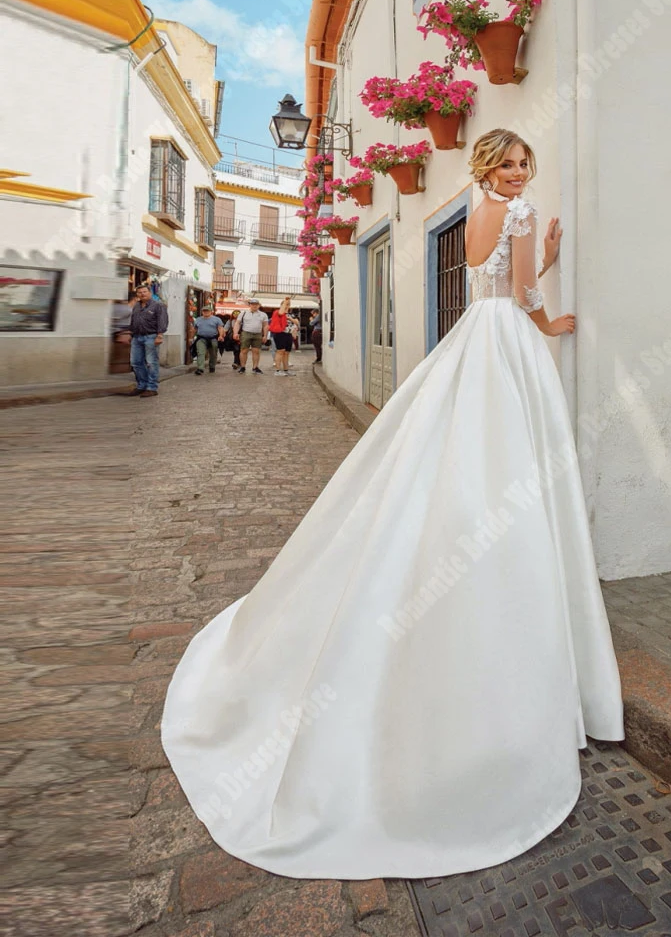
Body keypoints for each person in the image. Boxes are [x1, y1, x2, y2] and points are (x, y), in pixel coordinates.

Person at [161, 129, 623, 881]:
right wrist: (549, 297)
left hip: (474, 335)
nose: (516, 173)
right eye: (507, 164)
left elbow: (481, 275)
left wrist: (531, 251)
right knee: (514, 459)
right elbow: (524, 294)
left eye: (522, 164)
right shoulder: (520, 211)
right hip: (508, 338)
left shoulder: (477, 210)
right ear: (489, 168)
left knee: (450, 448)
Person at [121, 283, 167, 398]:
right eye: (139, 293)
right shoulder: (136, 306)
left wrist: (160, 335)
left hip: (151, 337)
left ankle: (152, 387)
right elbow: (133, 321)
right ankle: (141, 386)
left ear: (150, 293)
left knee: (151, 363)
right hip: (136, 337)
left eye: (144, 292)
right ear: (137, 294)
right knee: (136, 362)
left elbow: (162, 321)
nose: (142, 294)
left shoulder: (158, 306)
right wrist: (129, 334)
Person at [233, 298, 269, 375]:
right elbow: (237, 323)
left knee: (256, 351)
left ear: (259, 305)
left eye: (256, 304)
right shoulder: (243, 313)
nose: (254, 306)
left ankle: (255, 367)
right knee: (244, 350)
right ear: (250, 305)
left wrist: (265, 335)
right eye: (253, 304)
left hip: (257, 333)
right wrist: (235, 333)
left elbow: (265, 325)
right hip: (246, 333)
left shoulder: (263, 314)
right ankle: (242, 367)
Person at [192, 304, 225, 375]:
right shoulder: (198, 319)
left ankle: (212, 366)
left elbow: (220, 328)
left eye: (207, 311)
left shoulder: (216, 319)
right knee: (200, 353)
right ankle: (200, 368)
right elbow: (194, 329)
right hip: (201, 338)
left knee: (213, 353)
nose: (206, 312)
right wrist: (191, 338)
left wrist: (221, 336)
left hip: (213, 338)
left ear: (211, 312)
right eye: (204, 311)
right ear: (202, 312)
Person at [269, 297, 293, 376]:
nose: (287, 306)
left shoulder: (290, 315)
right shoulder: (277, 312)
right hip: (280, 334)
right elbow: (281, 313)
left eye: (288, 304)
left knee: (286, 353)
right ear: (281, 305)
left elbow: (295, 323)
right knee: (280, 351)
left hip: (288, 334)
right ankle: (277, 371)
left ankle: (286, 370)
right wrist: (286, 301)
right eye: (285, 304)